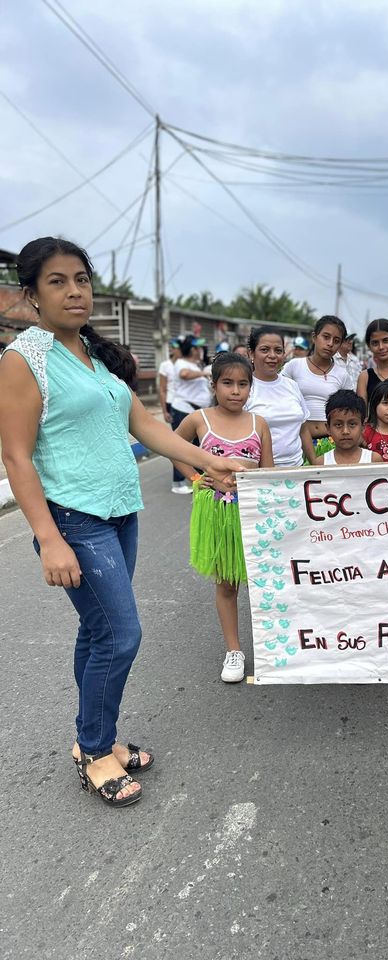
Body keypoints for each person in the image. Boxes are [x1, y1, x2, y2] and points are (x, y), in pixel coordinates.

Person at [0, 237, 250, 807]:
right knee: (120, 634)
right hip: (74, 518)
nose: (75, 292)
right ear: (31, 294)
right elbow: (15, 455)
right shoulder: (23, 360)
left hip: (119, 513)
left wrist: (207, 461)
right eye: (58, 281)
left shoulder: (93, 353)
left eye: (81, 280)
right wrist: (48, 539)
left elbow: (145, 425)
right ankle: (94, 751)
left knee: (98, 632)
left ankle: (95, 735)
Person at [174, 352, 274, 683]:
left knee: (264, 581)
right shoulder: (198, 419)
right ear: (213, 385)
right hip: (218, 513)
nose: (235, 391)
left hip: (253, 513)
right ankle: (234, 650)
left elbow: (268, 472)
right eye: (227, 383)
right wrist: (195, 477)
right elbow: (172, 447)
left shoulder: (259, 424)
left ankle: (273, 646)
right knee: (227, 583)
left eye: (243, 384)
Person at [245, 326, 315, 466]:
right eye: (265, 350)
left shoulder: (292, 385)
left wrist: (314, 463)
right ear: (251, 354)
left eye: (278, 350)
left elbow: (303, 429)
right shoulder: (244, 388)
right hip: (259, 472)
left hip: (296, 468)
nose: (272, 355)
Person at [281, 316, 352, 441]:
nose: (330, 344)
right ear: (314, 337)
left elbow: (349, 410)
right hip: (296, 438)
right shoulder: (294, 366)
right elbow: (279, 395)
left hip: (330, 441)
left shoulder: (342, 375)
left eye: (336, 341)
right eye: (326, 337)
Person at [170, 335, 212, 494]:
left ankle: (196, 479)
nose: (200, 350)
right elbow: (184, 374)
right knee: (180, 447)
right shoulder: (181, 363)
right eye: (198, 348)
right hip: (183, 409)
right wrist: (203, 373)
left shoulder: (196, 364)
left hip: (196, 411)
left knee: (196, 448)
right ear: (192, 349)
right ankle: (178, 482)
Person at [316, 390, 381, 466]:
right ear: (328, 428)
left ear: (363, 426)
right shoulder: (321, 463)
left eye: (352, 424)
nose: (345, 431)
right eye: (338, 425)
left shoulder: (373, 459)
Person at [158, 338, 180, 424]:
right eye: (177, 348)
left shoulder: (188, 365)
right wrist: (164, 411)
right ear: (172, 350)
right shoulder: (165, 365)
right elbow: (162, 389)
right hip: (171, 403)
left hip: (187, 404)